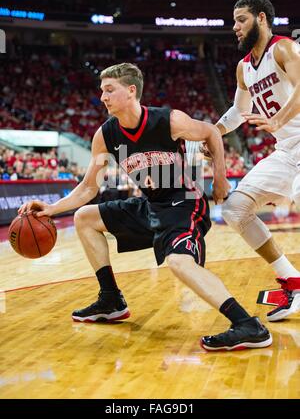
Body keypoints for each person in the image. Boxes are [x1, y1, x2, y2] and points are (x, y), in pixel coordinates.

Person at [19, 63, 272, 351]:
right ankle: (111, 299)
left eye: (109, 90)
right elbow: (90, 187)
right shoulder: (106, 135)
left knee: (178, 263)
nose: (102, 97)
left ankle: (247, 325)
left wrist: (220, 178)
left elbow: (211, 133)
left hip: (183, 202)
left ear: (131, 91)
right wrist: (50, 209)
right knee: (85, 217)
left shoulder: (169, 120)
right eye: (102, 91)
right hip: (151, 205)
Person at [214, 0, 300, 321]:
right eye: (234, 21)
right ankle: (293, 281)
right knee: (235, 209)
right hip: (286, 151)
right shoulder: (244, 67)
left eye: (241, 20)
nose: (234, 27)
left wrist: (277, 120)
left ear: (261, 18)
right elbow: (239, 111)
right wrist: (210, 132)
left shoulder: (285, 48)